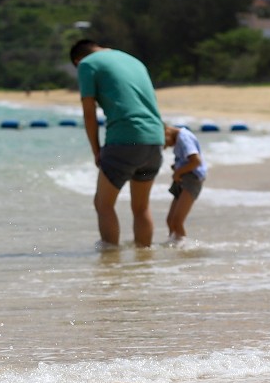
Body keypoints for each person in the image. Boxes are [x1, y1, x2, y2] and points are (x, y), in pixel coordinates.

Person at [70, 38, 166, 247]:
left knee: (103, 204)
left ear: (78, 60)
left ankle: (110, 264)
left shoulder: (87, 64)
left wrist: (97, 151)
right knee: (141, 208)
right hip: (154, 138)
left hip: (125, 138)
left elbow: (89, 114)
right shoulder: (133, 61)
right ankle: (143, 264)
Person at [162, 124, 206, 241]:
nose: (165, 147)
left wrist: (178, 172)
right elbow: (187, 160)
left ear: (166, 131)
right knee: (170, 220)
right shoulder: (180, 139)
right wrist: (177, 167)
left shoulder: (184, 138)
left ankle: (184, 250)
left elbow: (196, 161)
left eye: (164, 143)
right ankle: (174, 247)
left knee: (177, 221)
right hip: (183, 178)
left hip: (192, 179)